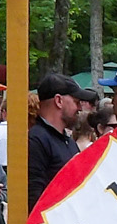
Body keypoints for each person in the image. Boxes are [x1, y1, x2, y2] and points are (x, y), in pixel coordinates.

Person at [27, 73, 83, 208]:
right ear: (59, 101)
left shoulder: (67, 141)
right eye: (76, 102)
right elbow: (34, 197)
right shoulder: (36, 140)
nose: (80, 108)